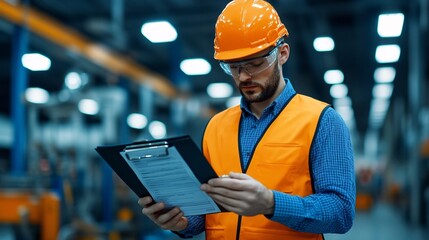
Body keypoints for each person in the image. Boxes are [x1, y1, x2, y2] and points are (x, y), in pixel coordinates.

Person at [138, 0, 355, 239]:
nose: (244, 77)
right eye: (234, 67)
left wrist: (271, 203)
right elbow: (209, 211)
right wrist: (180, 222)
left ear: (282, 54)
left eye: (255, 64)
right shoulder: (216, 126)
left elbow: (341, 212)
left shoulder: (321, 121)